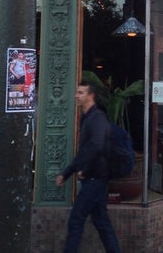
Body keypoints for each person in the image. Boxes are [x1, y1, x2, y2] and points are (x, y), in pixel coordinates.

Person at [56, 80, 120, 253]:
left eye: (81, 92)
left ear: (90, 96)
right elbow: (92, 148)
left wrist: (70, 171)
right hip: (94, 177)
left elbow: (95, 146)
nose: (76, 95)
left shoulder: (97, 118)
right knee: (101, 221)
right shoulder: (89, 118)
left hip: (95, 179)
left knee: (76, 219)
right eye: (77, 92)